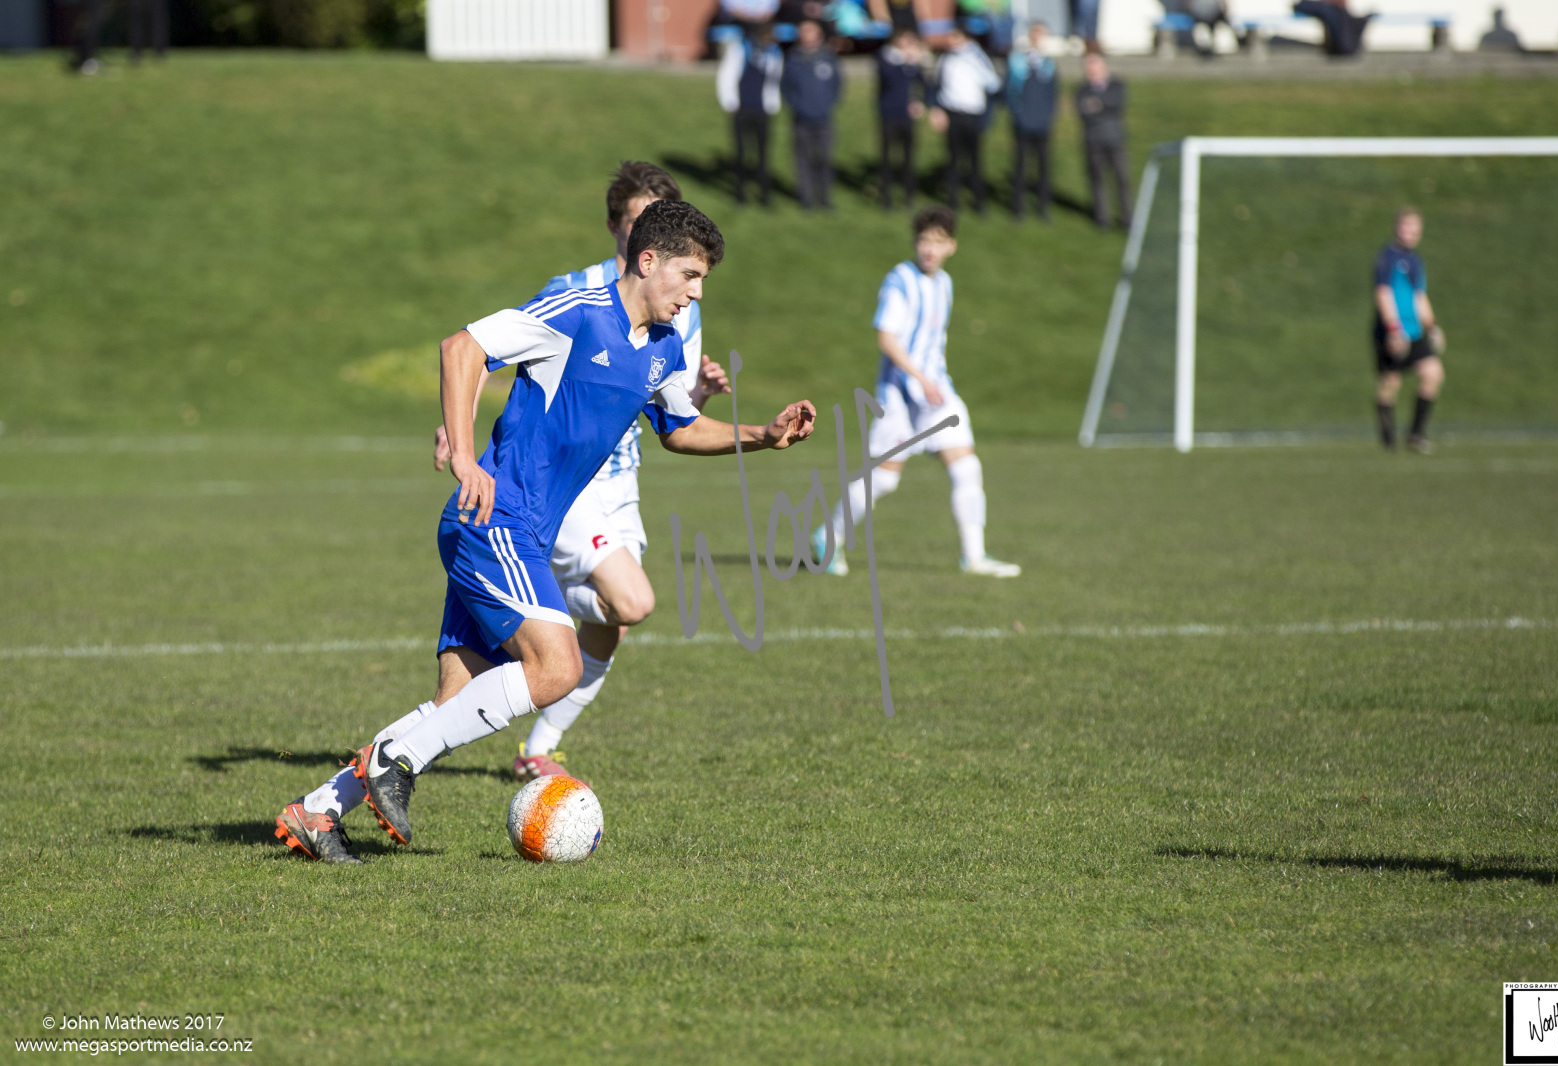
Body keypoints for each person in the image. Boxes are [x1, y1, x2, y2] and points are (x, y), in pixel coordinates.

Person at [274, 200, 817, 863]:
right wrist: (466, 456)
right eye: (690, 275)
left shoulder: (663, 347)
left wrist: (763, 435)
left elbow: (679, 428)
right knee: (558, 666)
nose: (697, 294)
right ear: (648, 262)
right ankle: (395, 761)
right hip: (494, 521)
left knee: (456, 701)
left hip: (524, 535)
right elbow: (462, 348)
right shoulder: (578, 314)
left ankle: (318, 812)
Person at [427, 162, 730, 784]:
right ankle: (541, 609)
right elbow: (488, 348)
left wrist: (727, 411)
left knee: (607, 625)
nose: (695, 289)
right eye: (635, 217)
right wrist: (458, 432)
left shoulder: (680, 307)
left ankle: (338, 797)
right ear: (626, 231)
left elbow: (667, 405)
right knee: (619, 607)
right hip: (556, 483)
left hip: (622, 477)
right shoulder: (579, 292)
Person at [814, 206, 1021, 579]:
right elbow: (886, 337)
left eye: (938, 242)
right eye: (924, 240)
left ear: (951, 246)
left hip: (938, 392)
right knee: (885, 479)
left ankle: (974, 557)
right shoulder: (900, 281)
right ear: (915, 242)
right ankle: (829, 537)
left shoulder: (944, 283)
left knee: (967, 468)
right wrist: (919, 378)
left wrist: (931, 380)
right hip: (899, 395)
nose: (930, 248)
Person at [1372, 207, 1445, 454]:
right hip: (1392, 331)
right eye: (1406, 227)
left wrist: (1432, 326)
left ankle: (1416, 435)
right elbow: (1383, 293)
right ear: (1396, 228)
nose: (1411, 233)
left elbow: (1419, 296)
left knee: (1433, 373)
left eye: (1415, 228)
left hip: (1414, 332)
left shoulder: (1415, 260)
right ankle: (1388, 439)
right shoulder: (1387, 257)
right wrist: (1393, 329)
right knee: (1390, 383)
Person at [929, 25, 1001, 214]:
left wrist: (987, 115)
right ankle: (952, 199)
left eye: (955, 37)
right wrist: (937, 109)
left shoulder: (977, 57)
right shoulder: (945, 58)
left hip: (972, 114)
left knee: (974, 159)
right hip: (952, 112)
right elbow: (935, 84)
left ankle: (978, 200)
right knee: (952, 157)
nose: (950, 41)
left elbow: (993, 84)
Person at [717, 25, 783, 206]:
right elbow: (727, 75)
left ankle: (764, 192)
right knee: (741, 151)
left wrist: (773, 104)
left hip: (762, 109)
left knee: (763, 152)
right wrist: (730, 102)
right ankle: (740, 192)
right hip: (742, 108)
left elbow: (774, 80)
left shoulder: (774, 53)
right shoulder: (740, 49)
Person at [781, 19, 844, 210]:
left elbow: (837, 85)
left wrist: (827, 104)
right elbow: (786, 87)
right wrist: (797, 106)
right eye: (803, 31)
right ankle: (806, 198)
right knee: (803, 159)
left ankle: (824, 198)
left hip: (824, 118)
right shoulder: (793, 58)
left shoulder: (828, 57)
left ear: (819, 34)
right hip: (801, 118)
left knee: (824, 158)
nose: (806, 35)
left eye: (810, 31)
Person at [1006, 22, 1058, 220]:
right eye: (1035, 34)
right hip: (1022, 121)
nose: (1038, 38)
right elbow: (1010, 90)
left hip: (1042, 123)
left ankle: (1043, 205)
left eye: (1041, 34)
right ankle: (1018, 206)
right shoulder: (1018, 61)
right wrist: (1017, 113)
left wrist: (1048, 115)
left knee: (1043, 166)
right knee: (1020, 165)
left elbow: (1053, 93)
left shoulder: (1048, 64)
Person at [1074, 50, 1128, 229]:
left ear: (1103, 64)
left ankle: (1127, 217)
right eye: (1088, 64)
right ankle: (1102, 218)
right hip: (1092, 140)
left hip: (1115, 139)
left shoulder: (1116, 85)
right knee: (1097, 181)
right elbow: (1083, 112)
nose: (1091, 68)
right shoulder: (1082, 90)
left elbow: (1117, 103)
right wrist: (1102, 106)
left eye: (1094, 63)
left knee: (1121, 180)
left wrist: (1098, 104)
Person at [876, 29, 927, 210]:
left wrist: (919, 101)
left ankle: (909, 195)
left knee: (909, 157)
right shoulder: (885, 57)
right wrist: (906, 60)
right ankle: (886, 197)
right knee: (887, 157)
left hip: (907, 115)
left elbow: (922, 83)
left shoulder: (912, 63)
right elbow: (888, 79)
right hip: (889, 114)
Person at [1291, 0, 1371, 55]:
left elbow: (1300, 6)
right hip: (1344, 51)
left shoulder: (1331, 12)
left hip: (1342, 51)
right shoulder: (1333, 12)